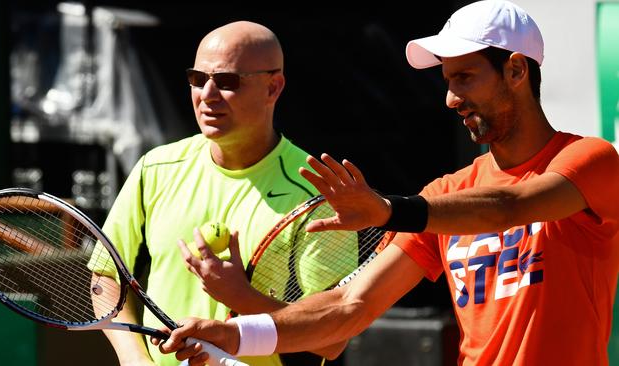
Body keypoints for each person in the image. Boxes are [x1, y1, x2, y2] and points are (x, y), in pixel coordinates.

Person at [152, 1, 619, 365]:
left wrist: (392, 211)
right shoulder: (446, 195)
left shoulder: (591, 160)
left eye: (465, 78)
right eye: (447, 80)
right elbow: (347, 307)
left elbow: (510, 206)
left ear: (516, 70)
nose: (451, 98)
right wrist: (233, 334)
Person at [98, 20, 344, 366]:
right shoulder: (155, 168)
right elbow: (106, 275)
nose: (208, 95)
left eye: (228, 82)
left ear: (273, 88)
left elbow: (331, 339)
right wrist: (132, 357)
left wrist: (243, 298)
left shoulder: (317, 192)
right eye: (198, 79)